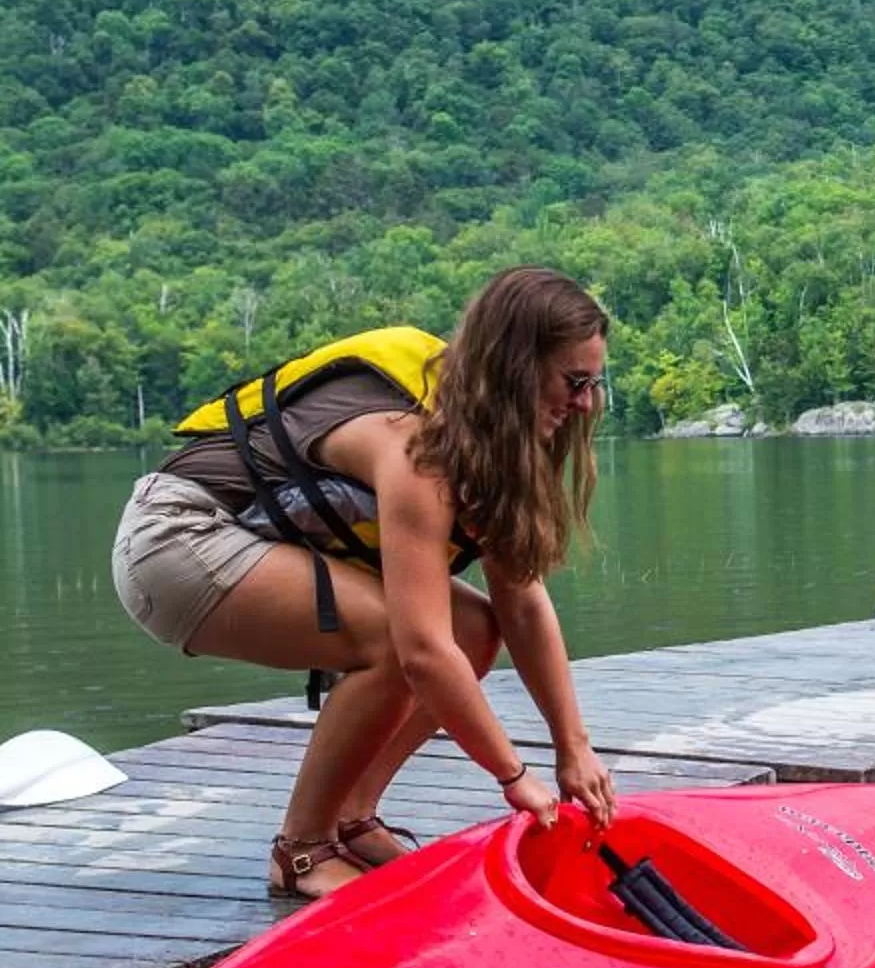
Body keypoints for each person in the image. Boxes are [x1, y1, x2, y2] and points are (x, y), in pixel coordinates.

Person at [109, 265, 623, 900]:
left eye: (593, 384)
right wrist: (514, 777)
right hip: (175, 540)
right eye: (574, 382)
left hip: (236, 538)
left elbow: (520, 599)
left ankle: (349, 819)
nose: (584, 404)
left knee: (472, 629)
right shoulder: (413, 447)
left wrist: (574, 749)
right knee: (394, 640)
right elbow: (422, 653)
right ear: (516, 367)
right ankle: (301, 851)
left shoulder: (480, 432)